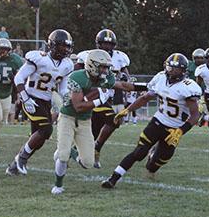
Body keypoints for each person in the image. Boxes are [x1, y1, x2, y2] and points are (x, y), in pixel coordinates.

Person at [101, 53, 201, 188]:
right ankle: (113, 179)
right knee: (139, 152)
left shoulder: (188, 87)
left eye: (175, 69)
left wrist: (180, 131)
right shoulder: (160, 78)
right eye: (169, 67)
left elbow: (195, 115)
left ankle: (152, 160)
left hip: (174, 128)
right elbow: (145, 98)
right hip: (157, 122)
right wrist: (127, 110)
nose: (171, 71)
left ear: (183, 71)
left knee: (158, 162)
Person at [51, 50, 142, 194]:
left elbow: (123, 86)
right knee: (62, 156)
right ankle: (58, 185)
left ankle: (70, 153)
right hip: (68, 117)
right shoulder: (77, 77)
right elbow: (78, 106)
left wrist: (147, 87)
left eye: (107, 67)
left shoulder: (106, 78)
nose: (106, 70)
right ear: (92, 65)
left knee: (88, 163)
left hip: (85, 121)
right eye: (103, 67)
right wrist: (100, 100)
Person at [5, 29, 74, 176]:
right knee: (46, 129)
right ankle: (22, 159)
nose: (66, 50)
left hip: (45, 101)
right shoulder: (39, 58)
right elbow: (18, 78)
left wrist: (68, 98)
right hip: (31, 98)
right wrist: (25, 98)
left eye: (68, 46)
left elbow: (62, 88)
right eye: (63, 46)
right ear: (53, 45)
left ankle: (14, 166)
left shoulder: (67, 64)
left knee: (41, 136)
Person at [74, 29, 133, 168]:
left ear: (114, 45)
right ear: (98, 44)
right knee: (114, 120)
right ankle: (95, 150)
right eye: (104, 44)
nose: (107, 47)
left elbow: (126, 77)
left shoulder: (119, 58)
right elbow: (75, 74)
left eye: (110, 44)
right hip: (92, 95)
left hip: (107, 97)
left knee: (94, 131)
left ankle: (77, 152)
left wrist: (126, 79)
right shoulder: (87, 55)